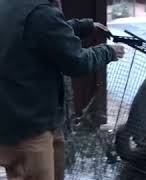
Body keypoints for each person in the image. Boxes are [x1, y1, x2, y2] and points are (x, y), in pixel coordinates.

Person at [0, 0, 125, 179]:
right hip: (31, 127)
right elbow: (77, 62)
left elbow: (44, 31)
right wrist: (108, 52)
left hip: (9, 119)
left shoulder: (9, 5)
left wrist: (84, 27)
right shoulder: (42, 14)